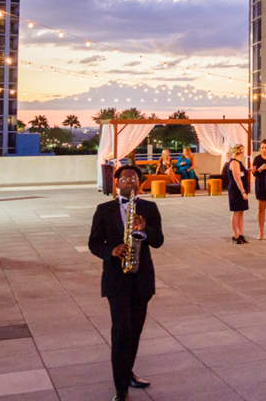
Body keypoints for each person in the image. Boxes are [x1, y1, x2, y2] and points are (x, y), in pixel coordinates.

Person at [88, 165, 164, 401]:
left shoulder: (149, 208)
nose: (129, 182)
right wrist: (111, 250)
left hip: (141, 278)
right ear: (117, 182)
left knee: (135, 330)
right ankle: (121, 389)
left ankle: (127, 371)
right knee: (121, 330)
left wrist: (145, 228)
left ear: (140, 183)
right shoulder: (104, 210)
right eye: (125, 179)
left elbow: (159, 240)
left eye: (134, 179)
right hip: (116, 279)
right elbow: (93, 243)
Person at [224, 144, 250, 244]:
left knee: (241, 211)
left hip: (240, 189)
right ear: (242, 152)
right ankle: (235, 235)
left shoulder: (238, 162)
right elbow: (237, 178)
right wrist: (243, 191)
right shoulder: (234, 163)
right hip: (236, 190)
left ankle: (241, 233)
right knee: (236, 212)